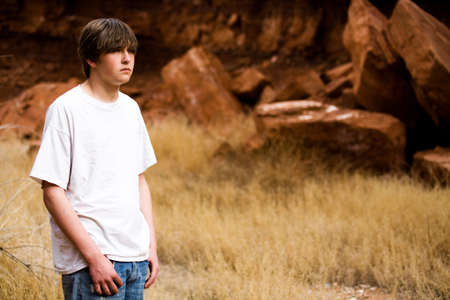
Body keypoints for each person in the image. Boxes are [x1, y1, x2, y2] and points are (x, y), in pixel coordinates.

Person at [29, 18, 159, 299]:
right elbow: (52, 192)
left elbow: (140, 181)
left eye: (131, 51)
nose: (127, 59)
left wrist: (150, 246)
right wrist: (94, 258)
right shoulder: (66, 109)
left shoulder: (131, 110)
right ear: (91, 58)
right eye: (115, 51)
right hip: (93, 264)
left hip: (134, 258)